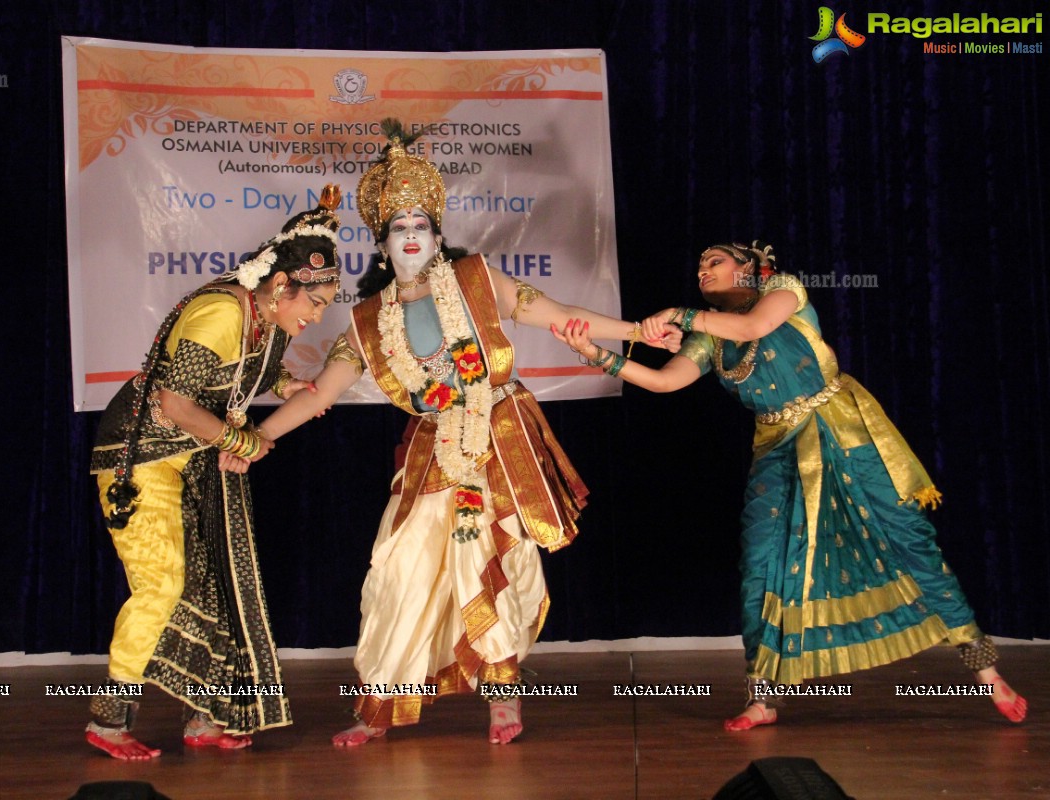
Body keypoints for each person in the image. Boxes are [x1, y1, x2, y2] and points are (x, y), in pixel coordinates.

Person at [256, 121, 679, 746]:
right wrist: (256, 440)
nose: (409, 236)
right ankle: (379, 705)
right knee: (397, 567)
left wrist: (638, 331)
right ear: (380, 241)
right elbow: (319, 392)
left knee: (491, 558)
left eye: (419, 225)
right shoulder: (369, 321)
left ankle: (502, 699)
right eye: (397, 227)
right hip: (433, 447)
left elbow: (563, 316)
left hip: (498, 437)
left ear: (436, 233)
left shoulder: (480, 280)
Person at [552, 240, 1028, 730]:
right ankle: (762, 697)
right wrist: (593, 353)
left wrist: (678, 313)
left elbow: (753, 327)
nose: (702, 272)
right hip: (777, 449)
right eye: (698, 267)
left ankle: (985, 670)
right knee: (760, 563)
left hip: (843, 434)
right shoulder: (709, 337)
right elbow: (665, 382)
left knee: (909, 540)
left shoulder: (783, 290)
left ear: (752, 269)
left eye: (714, 262)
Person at [86, 187, 344, 759]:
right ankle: (108, 722)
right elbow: (175, 402)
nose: (319, 314)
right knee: (162, 585)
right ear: (282, 286)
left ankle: (205, 720)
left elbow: (257, 375)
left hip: (195, 460)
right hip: (143, 457)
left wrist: (288, 386)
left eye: (326, 304)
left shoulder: (269, 319)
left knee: (218, 587)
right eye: (316, 302)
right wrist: (243, 440)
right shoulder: (223, 312)